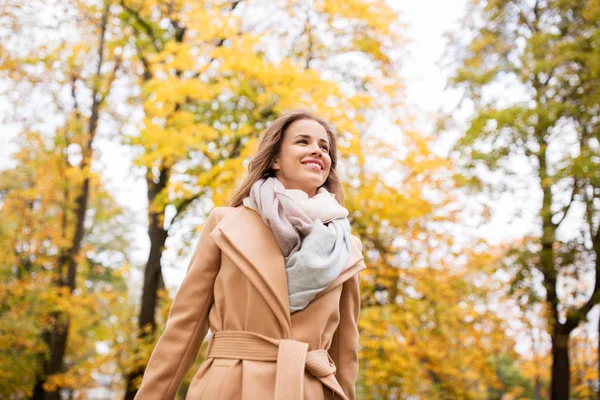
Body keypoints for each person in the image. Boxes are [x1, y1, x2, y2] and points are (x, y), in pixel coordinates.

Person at [133, 109, 366, 400]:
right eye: (303, 142)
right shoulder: (226, 224)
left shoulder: (346, 247)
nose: (317, 151)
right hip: (229, 387)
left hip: (309, 391)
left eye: (324, 147)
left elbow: (345, 353)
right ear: (275, 159)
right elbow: (184, 328)